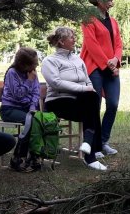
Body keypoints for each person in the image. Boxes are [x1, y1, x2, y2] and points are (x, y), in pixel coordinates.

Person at [41, 26, 107, 171]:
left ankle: (88, 146)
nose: (75, 39)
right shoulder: (49, 61)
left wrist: (90, 89)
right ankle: (91, 152)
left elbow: (87, 81)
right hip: (58, 102)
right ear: (61, 41)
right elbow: (56, 83)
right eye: (71, 37)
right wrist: (85, 89)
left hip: (79, 102)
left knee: (92, 98)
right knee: (92, 108)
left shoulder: (78, 60)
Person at [81, 0, 123, 158]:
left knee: (112, 104)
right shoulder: (88, 19)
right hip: (94, 68)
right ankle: (94, 145)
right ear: (98, 0)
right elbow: (91, 45)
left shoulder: (113, 21)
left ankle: (103, 141)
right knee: (94, 106)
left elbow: (119, 43)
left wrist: (115, 59)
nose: (112, 0)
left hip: (112, 68)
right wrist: (107, 64)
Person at [0, 47, 42, 172]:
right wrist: (29, 81)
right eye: (34, 63)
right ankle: (17, 159)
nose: (37, 65)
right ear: (23, 64)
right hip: (10, 109)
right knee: (32, 121)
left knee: (39, 121)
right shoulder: (12, 73)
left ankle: (33, 157)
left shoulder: (33, 73)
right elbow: (18, 95)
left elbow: (36, 92)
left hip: (27, 109)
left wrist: (33, 107)